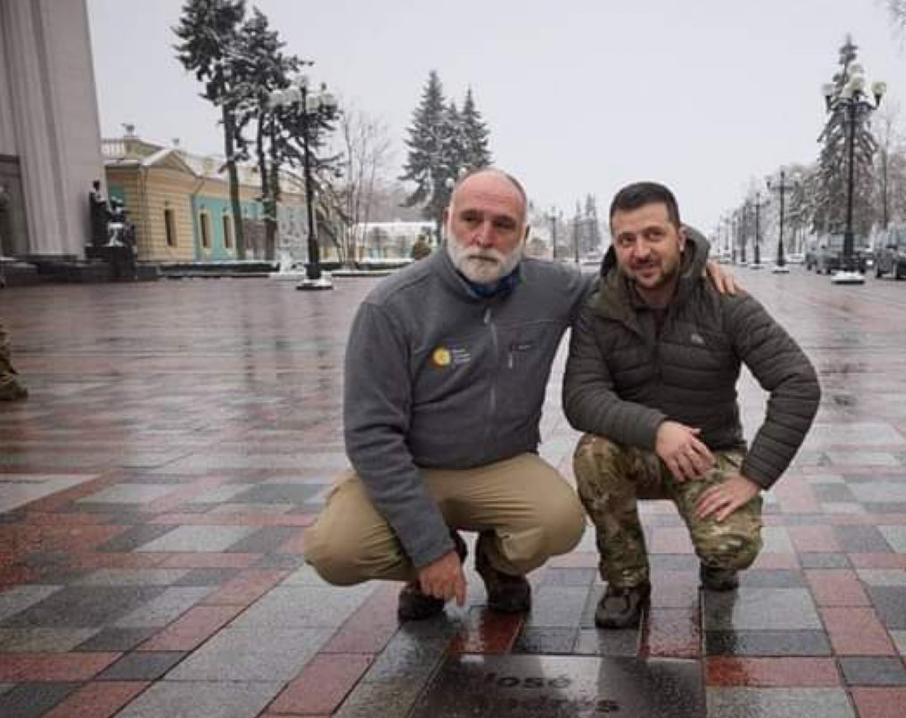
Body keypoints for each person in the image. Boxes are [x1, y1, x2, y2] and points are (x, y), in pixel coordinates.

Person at [303, 168, 735, 620]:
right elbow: (370, 435)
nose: (485, 236)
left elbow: (635, 269)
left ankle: (499, 565)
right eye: (471, 219)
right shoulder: (391, 306)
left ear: (524, 234)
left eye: (503, 224)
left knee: (559, 522)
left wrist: (691, 261)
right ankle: (429, 557)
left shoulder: (554, 287)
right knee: (334, 551)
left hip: (501, 465)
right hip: (409, 467)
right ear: (447, 220)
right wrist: (429, 548)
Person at [563, 182, 820, 629]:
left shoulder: (724, 301)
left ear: (680, 238)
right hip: (638, 450)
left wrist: (753, 477)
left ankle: (716, 562)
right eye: (626, 239)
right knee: (593, 452)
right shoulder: (598, 308)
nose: (640, 251)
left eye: (653, 235)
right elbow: (581, 397)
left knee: (731, 547)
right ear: (615, 244)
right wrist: (657, 430)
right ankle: (627, 581)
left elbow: (797, 382)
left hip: (709, 452)